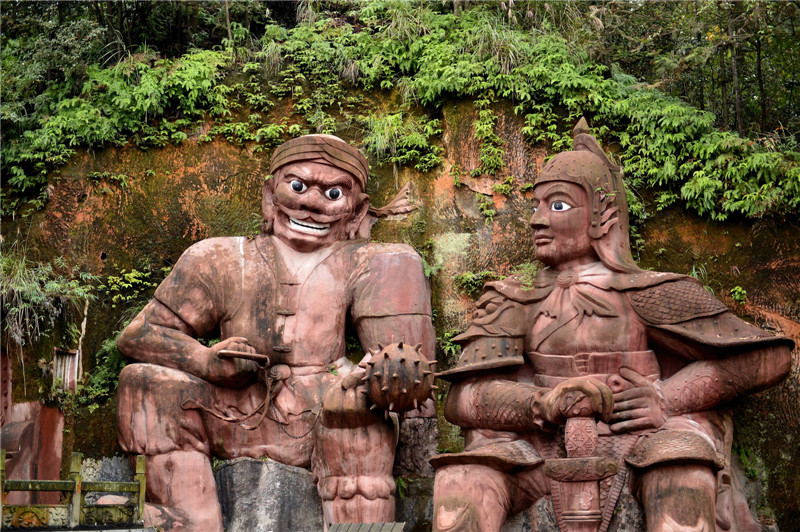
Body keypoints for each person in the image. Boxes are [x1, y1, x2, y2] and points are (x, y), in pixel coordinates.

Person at [431, 119, 793, 532]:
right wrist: (539, 404)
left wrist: (666, 398)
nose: (536, 219)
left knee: (682, 480)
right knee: (462, 481)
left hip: (646, 441)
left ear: (602, 215)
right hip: (536, 446)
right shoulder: (513, 298)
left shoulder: (648, 291)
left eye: (558, 205)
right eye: (535, 205)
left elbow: (767, 357)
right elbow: (461, 400)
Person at [116, 134, 436, 530]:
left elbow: (405, 367)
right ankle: (190, 521)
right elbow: (139, 336)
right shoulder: (219, 256)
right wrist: (206, 360)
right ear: (269, 196)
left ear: (357, 212)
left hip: (325, 407)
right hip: (235, 407)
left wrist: (374, 380)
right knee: (142, 381)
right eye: (297, 186)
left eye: (333, 193)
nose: (311, 203)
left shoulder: (377, 261)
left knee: (358, 411)